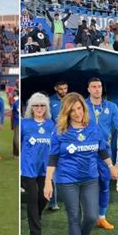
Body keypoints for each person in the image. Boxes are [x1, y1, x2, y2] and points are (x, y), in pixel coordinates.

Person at [44, 92, 113, 235]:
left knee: (91, 216)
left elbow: (102, 150)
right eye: (72, 110)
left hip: (90, 179)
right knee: (74, 217)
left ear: (84, 108)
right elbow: (52, 158)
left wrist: (111, 166)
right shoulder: (59, 131)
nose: (77, 113)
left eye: (79, 108)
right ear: (66, 112)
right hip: (67, 180)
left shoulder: (93, 127)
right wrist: (48, 182)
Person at [85, 77, 118, 230]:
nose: (97, 89)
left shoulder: (111, 107)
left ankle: (101, 218)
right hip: (85, 152)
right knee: (87, 185)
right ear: (88, 89)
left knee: (104, 185)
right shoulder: (82, 106)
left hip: (105, 152)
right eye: (93, 86)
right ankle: (88, 216)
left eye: (99, 86)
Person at [21, 92, 54, 235]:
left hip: (45, 168)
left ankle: (36, 216)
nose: (39, 108)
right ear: (31, 108)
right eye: (36, 105)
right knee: (32, 198)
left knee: (43, 197)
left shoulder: (50, 124)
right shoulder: (24, 124)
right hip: (28, 168)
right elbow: (18, 145)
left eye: (42, 105)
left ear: (46, 108)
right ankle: (36, 232)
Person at [48, 80, 68, 211]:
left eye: (65, 88)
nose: (63, 91)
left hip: (69, 139)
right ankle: (53, 202)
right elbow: (47, 119)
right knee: (53, 170)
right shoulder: (50, 102)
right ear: (56, 88)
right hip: (55, 140)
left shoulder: (71, 100)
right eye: (61, 89)